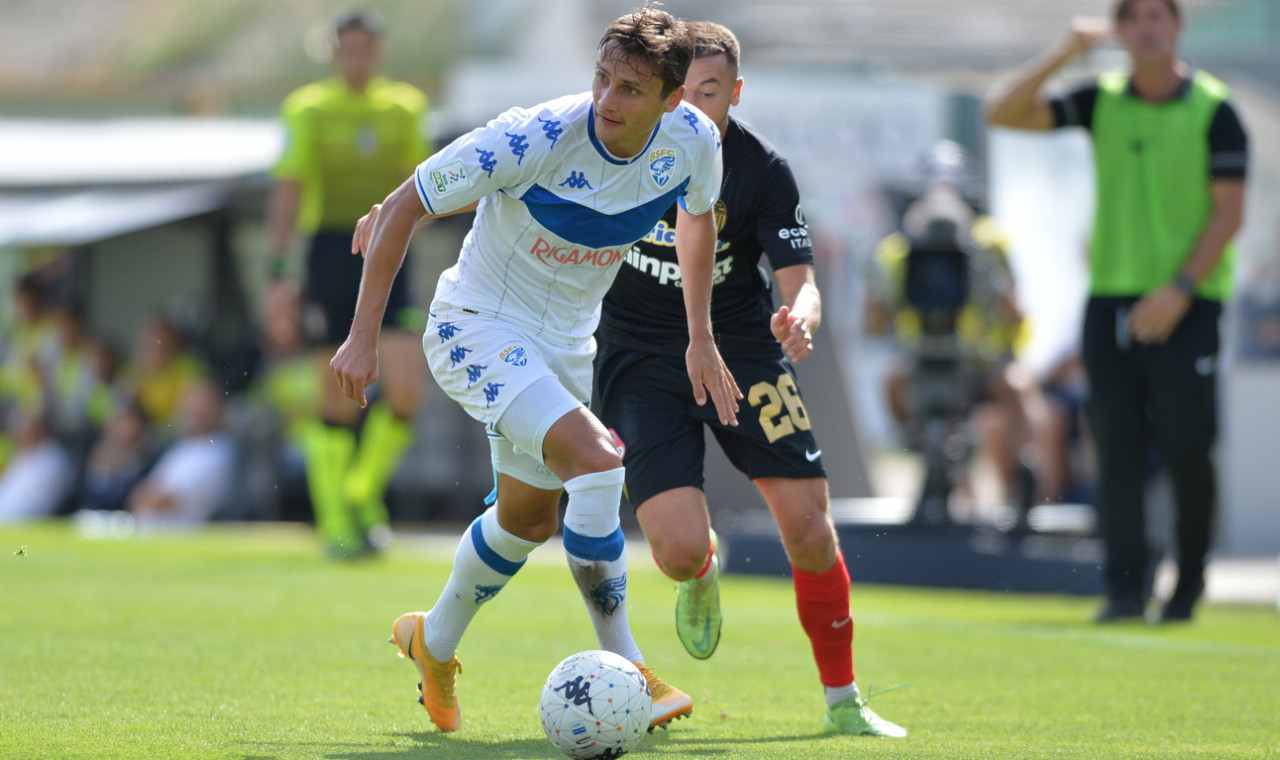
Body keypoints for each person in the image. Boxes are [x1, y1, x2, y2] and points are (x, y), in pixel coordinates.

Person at [333, 7, 738, 734]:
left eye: (631, 90)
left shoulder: (694, 142)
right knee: (598, 462)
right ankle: (630, 669)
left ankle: (434, 640)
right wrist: (362, 338)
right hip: (476, 327)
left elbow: (697, 218)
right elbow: (404, 206)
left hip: (564, 346)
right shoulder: (536, 135)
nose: (608, 102)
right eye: (603, 80)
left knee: (525, 521)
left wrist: (699, 333)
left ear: (672, 99)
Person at [595, 21, 905, 737]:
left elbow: (802, 281)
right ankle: (703, 571)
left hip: (741, 350)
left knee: (807, 526)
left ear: (735, 93)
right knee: (674, 551)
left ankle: (844, 700)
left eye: (713, 92)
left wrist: (801, 316)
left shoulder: (762, 169)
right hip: (641, 357)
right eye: (685, 92)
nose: (696, 108)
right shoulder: (620, 144)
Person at [986, 0, 1248, 622]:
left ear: (1177, 27)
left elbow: (1228, 213)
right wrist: (1065, 52)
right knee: (1117, 449)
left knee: (1189, 449)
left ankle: (1186, 587)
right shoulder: (1101, 98)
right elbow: (1003, 112)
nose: (1147, 27)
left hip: (1192, 301)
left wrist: (1179, 290)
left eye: (1160, 16)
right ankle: (1126, 590)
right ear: (1119, 31)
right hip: (1111, 302)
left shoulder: (1216, 109)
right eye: (1134, 17)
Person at [267, 10, 431, 557]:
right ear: (334, 52)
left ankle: (361, 489)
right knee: (335, 395)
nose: (357, 58)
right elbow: (289, 187)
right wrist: (277, 273)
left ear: (378, 51)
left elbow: (422, 183)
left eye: (366, 47)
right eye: (347, 48)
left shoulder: (404, 107)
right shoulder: (309, 108)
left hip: (389, 245)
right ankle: (336, 518)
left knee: (407, 386)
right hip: (329, 253)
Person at [128, 381, 235, 529]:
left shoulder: (220, 451)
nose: (193, 410)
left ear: (218, 409)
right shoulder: (182, 446)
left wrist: (146, 498)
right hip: (147, 534)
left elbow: (166, 500)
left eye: (202, 405)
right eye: (190, 402)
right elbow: (141, 494)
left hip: (183, 539)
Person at [0, 405, 74, 522]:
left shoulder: (52, 460)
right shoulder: (20, 456)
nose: (18, 430)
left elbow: (31, 506)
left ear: (40, 428)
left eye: (24, 424)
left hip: (25, 526)